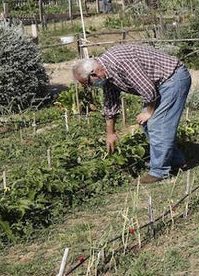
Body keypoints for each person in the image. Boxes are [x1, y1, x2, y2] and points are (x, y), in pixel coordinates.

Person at [72, 43, 192, 184]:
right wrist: (110, 133)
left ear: (94, 73)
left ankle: (159, 172)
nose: (90, 87)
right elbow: (110, 103)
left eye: (88, 83)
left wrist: (148, 112)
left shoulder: (120, 63)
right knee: (148, 123)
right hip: (160, 84)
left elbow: (148, 90)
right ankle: (176, 161)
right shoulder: (107, 74)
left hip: (172, 79)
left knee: (157, 124)